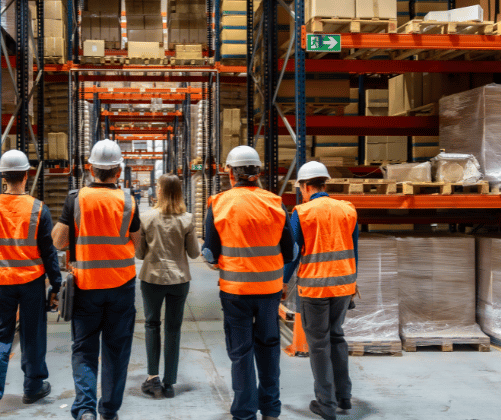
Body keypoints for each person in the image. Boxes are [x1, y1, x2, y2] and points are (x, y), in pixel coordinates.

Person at [201, 146, 296, 420]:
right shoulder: (276, 203)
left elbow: (210, 253)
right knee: (268, 349)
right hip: (269, 292)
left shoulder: (218, 203)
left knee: (241, 353)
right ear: (258, 173)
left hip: (235, 293)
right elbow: (291, 252)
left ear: (231, 173)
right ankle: (271, 410)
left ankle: (244, 413)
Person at [0, 149, 64, 420]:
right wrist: (55, 286)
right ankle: (33, 387)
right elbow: (49, 253)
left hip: (0, 283)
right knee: (33, 336)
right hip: (32, 283)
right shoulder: (38, 208)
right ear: (26, 175)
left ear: (2, 177)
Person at [51, 139, 141, 420]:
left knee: (84, 349)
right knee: (116, 350)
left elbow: (58, 242)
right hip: (121, 286)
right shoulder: (128, 201)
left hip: (86, 286)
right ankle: (109, 410)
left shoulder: (75, 199)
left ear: (90, 168)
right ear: (119, 171)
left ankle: (86, 409)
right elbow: (138, 245)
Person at [282, 161, 359, 420]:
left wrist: (283, 282)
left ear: (305, 186)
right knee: (336, 336)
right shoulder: (347, 209)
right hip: (344, 285)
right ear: (324, 183)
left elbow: (292, 253)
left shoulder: (302, 212)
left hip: (315, 289)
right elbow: (354, 249)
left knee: (318, 345)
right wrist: (352, 283)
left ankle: (326, 404)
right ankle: (344, 397)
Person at [135, 173, 200, 399]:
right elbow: (194, 253)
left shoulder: (146, 218)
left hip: (152, 278)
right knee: (173, 329)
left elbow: (140, 254)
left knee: (152, 325)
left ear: (159, 191)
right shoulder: (187, 219)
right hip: (179, 280)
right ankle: (170, 383)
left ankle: (153, 378)